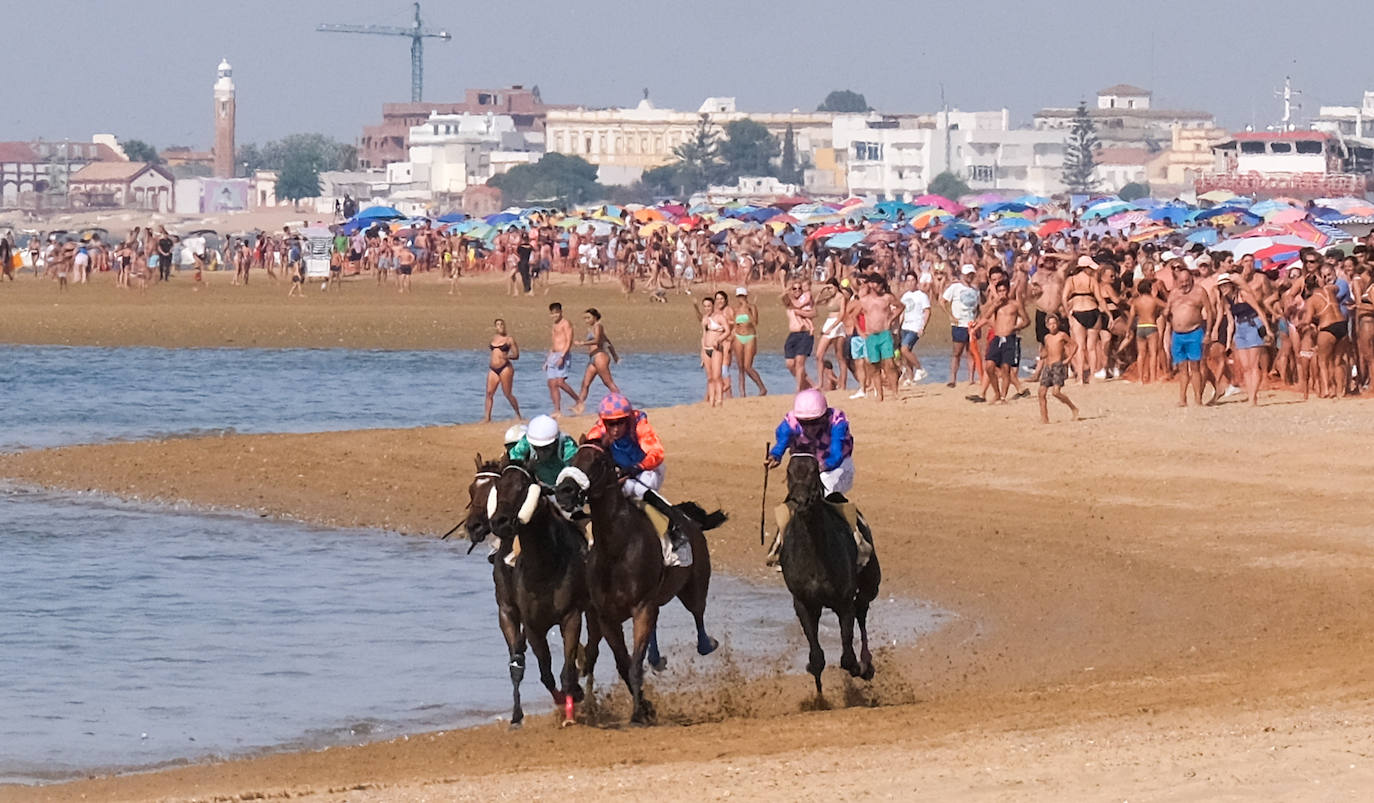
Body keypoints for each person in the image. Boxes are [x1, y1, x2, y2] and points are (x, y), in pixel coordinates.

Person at [763, 389, 870, 568]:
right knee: (794, 500)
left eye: (814, 422)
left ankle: (857, 539)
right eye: (805, 423)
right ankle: (779, 544)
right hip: (804, 469)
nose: (809, 427)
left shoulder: (837, 421)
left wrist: (818, 468)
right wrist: (775, 456)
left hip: (837, 467)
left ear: (823, 416)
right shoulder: (789, 423)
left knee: (828, 495)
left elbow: (836, 454)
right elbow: (781, 445)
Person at [581, 392, 686, 549]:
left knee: (635, 488)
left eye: (620, 422)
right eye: (611, 424)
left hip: (648, 469)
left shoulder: (639, 425)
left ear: (627, 418)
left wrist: (637, 468)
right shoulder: (598, 430)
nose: (615, 429)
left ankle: (675, 526)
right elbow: (589, 450)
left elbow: (657, 453)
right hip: (619, 471)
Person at [1166, 261, 1212, 407]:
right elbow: (1167, 310)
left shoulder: (1199, 292)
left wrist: (1209, 332)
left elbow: (1210, 312)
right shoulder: (1173, 293)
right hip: (1177, 334)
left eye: (1187, 281)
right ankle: (1182, 398)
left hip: (1194, 332)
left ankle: (1198, 398)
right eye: (1181, 282)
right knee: (1181, 368)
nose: (1184, 284)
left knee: (1195, 367)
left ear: (1192, 279)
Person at [859, 274, 902, 401]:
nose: (878, 286)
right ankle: (879, 394)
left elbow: (900, 306)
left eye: (880, 284)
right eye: (876, 283)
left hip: (884, 334)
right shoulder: (864, 300)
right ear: (871, 284)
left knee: (889, 363)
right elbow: (852, 314)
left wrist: (891, 319)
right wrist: (860, 331)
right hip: (871, 336)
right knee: (874, 365)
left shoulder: (887, 298)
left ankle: (895, 392)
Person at [508, 414, 577, 488]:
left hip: (564, 487)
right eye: (536, 448)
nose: (541, 452)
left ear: (555, 442)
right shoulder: (525, 442)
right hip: (538, 484)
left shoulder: (568, 445)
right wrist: (527, 467)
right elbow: (514, 460)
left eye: (546, 448)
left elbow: (575, 470)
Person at [942, 265, 981, 387]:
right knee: (957, 352)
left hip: (971, 324)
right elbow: (942, 301)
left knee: (971, 352)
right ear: (963, 274)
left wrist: (977, 320)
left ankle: (971, 378)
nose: (969, 277)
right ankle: (953, 378)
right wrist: (950, 315)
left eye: (971, 274)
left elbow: (978, 308)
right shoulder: (955, 287)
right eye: (967, 274)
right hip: (959, 324)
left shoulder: (975, 290)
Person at [1037, 314, 1080, 423]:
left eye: (1054, 323)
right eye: (1050, 324)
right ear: (1047, 325)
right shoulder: (1047, 337)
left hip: (1058, 365)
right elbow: (1047, 350)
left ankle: (1073, 408)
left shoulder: (1062, 335)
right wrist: (1043, 354)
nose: (1053, 326)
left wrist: (1069, 359)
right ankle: (1044, 418)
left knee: (1056, 392)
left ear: (1058, 324)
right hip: (1048, 366)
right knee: (1041, 392)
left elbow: (1074, 345)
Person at [544, 303, 579, 417]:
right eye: (553, 313)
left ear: (561, 312)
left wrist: (563, 356)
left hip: (562, 354)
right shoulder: (554, 325)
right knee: (551, 383)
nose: (555, 315)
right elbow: (553, 343)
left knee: (560, 382)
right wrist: (547, 360)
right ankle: (557, 410)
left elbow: (569, 340)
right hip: (553, 355)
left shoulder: (566, 323)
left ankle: (578, 400)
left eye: (557, 312)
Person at [483, 318, 521, 422]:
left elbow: (516, 355)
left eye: (502, 324)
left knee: (507, 393)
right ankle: (487, 418)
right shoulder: (493, 339)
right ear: (495, 327)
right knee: (489, 393)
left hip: (505, 368)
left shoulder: (509, 339)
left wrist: (508, 357)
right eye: (498, 325)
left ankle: (518, 414)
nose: (500, 326)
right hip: (493, 369)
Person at [732, 287, 768, 397]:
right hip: (738, 337)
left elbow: (755, 322)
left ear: (746, 296)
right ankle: (742, 393)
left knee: (748, 366)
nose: (740, 298)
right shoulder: (735, 309)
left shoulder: (752, 307)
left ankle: (762, 388)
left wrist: (748, 312)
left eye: (742, 296)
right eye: (739, 296)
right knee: (740, 367)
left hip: (749, 337)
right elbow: (733, 323)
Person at [781, 279, 815, 390]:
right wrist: (788, 289)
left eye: (799, 288)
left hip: (804, 334)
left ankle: (799, 388)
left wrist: (801, 313)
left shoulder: (805, 302)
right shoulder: (789, 301)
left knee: (800, 363)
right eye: (794, 288)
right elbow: (783, 295)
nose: (797, 291)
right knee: (790, 364)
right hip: (793, 335)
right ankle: (809, 384)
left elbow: (814, 313)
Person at [898, 272, 931, 384]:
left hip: (915, 327)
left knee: (904, 349)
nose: (910, 283)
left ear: (916, 281)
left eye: (912, 280)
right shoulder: (905, 296)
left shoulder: (922, 295)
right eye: (908, 280)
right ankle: (910, 378)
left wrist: (923, 327)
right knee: (906, 354)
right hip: (905, 326)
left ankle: (920, 369)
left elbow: (927, 311)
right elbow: (902, 312)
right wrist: (898, 325)